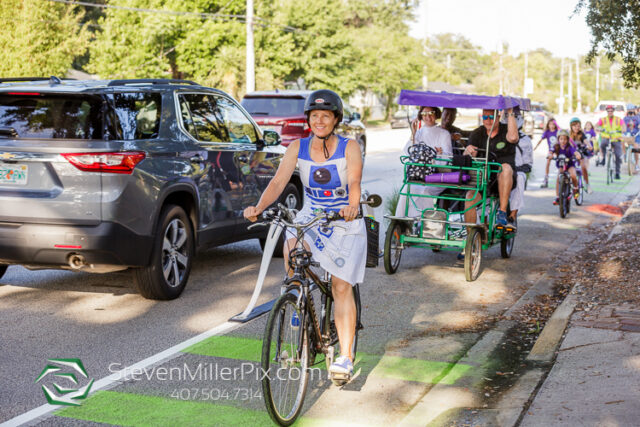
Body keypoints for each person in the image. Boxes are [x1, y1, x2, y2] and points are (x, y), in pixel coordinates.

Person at [243, 89, 365, 380]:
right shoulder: (297, 146)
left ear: (335, 119)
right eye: (314, 116)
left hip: (343, 220)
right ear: (308, 118)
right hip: (312, 215)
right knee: (293, 256)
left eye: (325, 116)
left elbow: (355, 181)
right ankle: (298, 310)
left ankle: (345, 357)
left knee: (340, 286)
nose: (319, 121)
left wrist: (352, 205)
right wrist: (259, 207)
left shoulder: (349, 147)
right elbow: (278, 181)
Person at [462, 107, 519, 231]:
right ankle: (471, 239)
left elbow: (514, 138)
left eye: (491, 117)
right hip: (483, 180)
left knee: (504, 168)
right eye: (485, 117)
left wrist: (509, 113)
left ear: (498, 117)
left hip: (504, 179)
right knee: (469, 197)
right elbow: (467, 157)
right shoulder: (477, 133)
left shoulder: (505, 130)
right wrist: (469, 151)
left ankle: (502, 213)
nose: (488, 120)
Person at [396, 106, 453, 217]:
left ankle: (425, 224)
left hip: (438, 175)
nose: (427, 116)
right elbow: (409, 152)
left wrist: (440, 154)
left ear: (436, 114)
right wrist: (413, 133)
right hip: (419, 175)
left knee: (425, 191)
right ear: (421, 115)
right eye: (424, 114)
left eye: (431, 113)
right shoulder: (419, 132)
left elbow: (448, 157)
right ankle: (401, 221)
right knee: (407, 190)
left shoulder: (444, 133)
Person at [509, 107, 533, 223]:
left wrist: (515, 168)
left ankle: (513, 214)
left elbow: (528, 163)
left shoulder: (525, 140)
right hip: (498, 170)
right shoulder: (497, 134)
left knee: (519, 178)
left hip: (516, 171)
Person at [549, 129, 582, 205]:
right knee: (558, 178)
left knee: (573, 175)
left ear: (568, 140)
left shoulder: (569, 147)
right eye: (561, 139)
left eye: (565, 139)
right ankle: (558, 197)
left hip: (570, 165)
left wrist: (578, 155)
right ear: (558, 139)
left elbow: (575, 152)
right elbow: (551, 151)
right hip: (561, 165)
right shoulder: (556, 147)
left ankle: (576, 189)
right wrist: (550, 155)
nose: (563, 141)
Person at [596, 105, 626, 178]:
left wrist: (623, 129)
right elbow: (596, 125)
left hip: (616, 138)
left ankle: (617, 173)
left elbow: (624, 126)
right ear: (607, 111)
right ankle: (603, 159)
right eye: (608, 111)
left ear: (613, 111)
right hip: (606, 137)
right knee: (602, 144)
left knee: (618, 155)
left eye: (611, 111)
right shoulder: (603, 119)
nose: (610, 112)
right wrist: (598, 128)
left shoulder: (618, 119)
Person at [569, 117, 594, 194]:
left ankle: (587, 184)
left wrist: (589, 145)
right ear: (571, 126)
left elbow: (586, 141)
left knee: (583, 167)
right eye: (575, 126)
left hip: (581, 152)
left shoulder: (581, 134)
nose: (577, 127)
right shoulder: (569, 134)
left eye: (578, 126)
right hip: (572, 153)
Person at [534, 119, 560, 188]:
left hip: (558, 150)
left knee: (560, 162)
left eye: (553, 124)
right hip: (551, 150)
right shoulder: (547, 132)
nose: (552, 126)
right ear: (548, 125)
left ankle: (562, 177)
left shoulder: (558, 132)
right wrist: (535, 147)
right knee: (548, 162)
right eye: (550, 124)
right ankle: (546, 179)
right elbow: (541, 140)